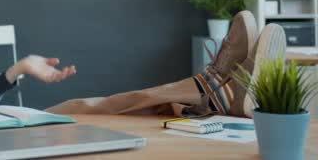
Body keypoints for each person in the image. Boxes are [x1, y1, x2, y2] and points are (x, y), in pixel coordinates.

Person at [46, 11, 286, 118]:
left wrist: (16, 71)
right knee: (85, 110)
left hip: (18, 119)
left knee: (86, 109)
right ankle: (213, 91)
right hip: (16, 128)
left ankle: (215, 93)